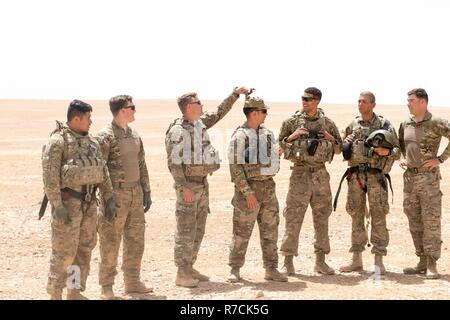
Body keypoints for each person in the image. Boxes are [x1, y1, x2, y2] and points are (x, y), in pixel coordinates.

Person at [165, 87, 248, 287]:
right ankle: (181, 273)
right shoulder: (178, 131)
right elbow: (173, 162)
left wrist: (234, 95)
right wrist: (182, 186)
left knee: (198, 229)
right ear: (189, 107)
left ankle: (189, 266)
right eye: (199, 103)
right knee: (186, 230)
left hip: (202, 184)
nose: (203, 106)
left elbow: (219, 113)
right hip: (188, 186)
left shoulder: (199, 124)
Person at [42, 100, 116, 300]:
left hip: (90, 205)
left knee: (83, 250)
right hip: (68, 205)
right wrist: (57, 205)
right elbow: (50, 177)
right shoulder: (58, 142)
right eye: (88, 118)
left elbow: (103, 171)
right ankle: (55, 294)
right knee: (64, 252)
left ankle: (74, 291)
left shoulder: (92, 143)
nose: (91, 122)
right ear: (76, 118)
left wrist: (108, 197)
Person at [278, 87, 342, 275]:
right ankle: (287, 261)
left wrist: (331, 139)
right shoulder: (291, 122)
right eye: (303, 98)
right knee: (293, 217)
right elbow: (279, 145)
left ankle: (320, 261)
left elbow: (339, 150)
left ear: (317, 101)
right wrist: (293, 136)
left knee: (322, 218)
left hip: (321, 175)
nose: (304, 101)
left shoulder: (327, 123)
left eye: (308, 99)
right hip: (299, 174)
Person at [96, 95, 153, 299]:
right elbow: (100, 169)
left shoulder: (134, 134)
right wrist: (107, 197)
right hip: (116, 195)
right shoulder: (105, 136)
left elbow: (141, 164)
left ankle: (132, 282)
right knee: (110, 241)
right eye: (132, 107)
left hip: (135, 193)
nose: (134, 111)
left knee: (136, 240)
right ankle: (107, 286)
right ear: (122, 110)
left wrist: (146, 190)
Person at [337, 91, 400, 275]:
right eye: (358, 101)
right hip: (356, 177)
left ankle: (379, 262)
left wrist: (386, 152)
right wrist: (345, 143)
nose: (360, 104)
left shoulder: (385, 125)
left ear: (373, 104)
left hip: (376, 177)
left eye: (364, 101)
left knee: (378, 216)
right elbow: (343, 148)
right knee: (356, 216)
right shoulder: (353, 124)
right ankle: (356, 260)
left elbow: (398, 150)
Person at [226, 96, 287, 283]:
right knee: (241, 232)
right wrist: (247, 192)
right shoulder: (240, 136)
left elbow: (272, 158)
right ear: (254, 113)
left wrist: (278, 153)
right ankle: (235, 269)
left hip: (268, 188)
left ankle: (271, 268)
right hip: (249, 191)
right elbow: (235, 168)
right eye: (264, 111)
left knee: (270, 231)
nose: (266, 115)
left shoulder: (267, 134)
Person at [399, 88, 450, 279]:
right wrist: (404, 158)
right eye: (408, 100)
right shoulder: (406, 123)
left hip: (428, 180)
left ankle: (432, 264)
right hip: (410, 180)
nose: (408, 103)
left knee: (431, 221)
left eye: (411, 100)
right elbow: (401, 145)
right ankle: (421, 261)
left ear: (423, 102)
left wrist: (441, 159)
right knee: (414, 221)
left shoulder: (436, 122)